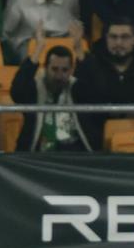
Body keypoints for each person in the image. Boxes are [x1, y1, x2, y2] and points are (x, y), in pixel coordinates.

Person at [12, 22, 91, 151]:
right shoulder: (35, 88)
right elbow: (17, 92)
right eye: (54, 69)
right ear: (45, 67)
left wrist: (79, 50)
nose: (59, 76)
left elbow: (96, 89)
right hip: (38, 155)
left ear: (71, 70)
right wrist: (38, 49)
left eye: (64, 70)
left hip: (74, 155)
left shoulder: (76, 88)